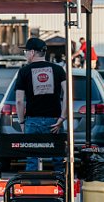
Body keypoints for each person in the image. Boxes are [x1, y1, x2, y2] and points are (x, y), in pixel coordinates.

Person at [14, 37, 69, 171]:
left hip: (32, 121)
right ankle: (60, 183)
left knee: (32, 159)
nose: (25, 54)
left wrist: (22, 122)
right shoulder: (58, 70)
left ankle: (32, 183)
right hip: (54, 121)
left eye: (26, 51)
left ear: (32, 52)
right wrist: (62, 118)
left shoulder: (24, 71)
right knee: (58, 158)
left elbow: (19, 101)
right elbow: (68, 94)